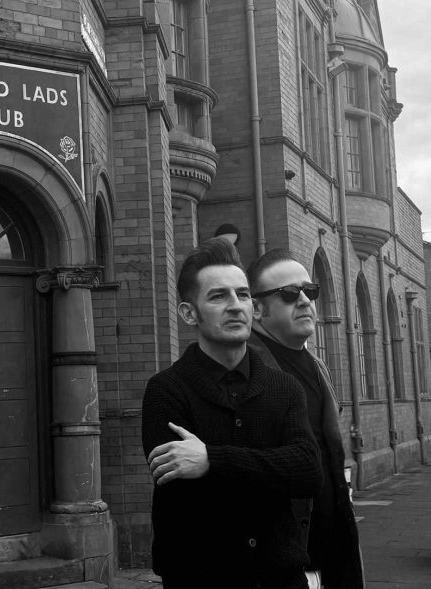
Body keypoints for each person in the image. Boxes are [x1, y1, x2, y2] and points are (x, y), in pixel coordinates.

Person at [142, 238, 322, 588]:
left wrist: (212, 459)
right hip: (201, 579)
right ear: (189, 313)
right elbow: (182, 490)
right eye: (218, 296)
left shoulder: (283, 388)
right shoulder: (166, 390)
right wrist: (272, 468)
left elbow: (308, 472)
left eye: (242, 295)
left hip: (280, 578)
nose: (235, 306)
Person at [247, 249, 365, 589]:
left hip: (335, 542)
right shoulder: (249, 373)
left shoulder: (318, 366)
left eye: (309, 291)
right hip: (285, 554)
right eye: (288, 294)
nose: (303, 301)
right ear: (257, 309)